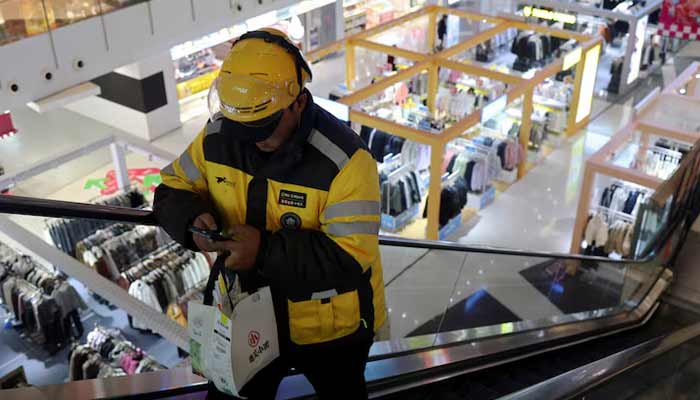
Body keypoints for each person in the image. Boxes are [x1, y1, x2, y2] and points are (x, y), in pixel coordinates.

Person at [153, 28, 387, 399]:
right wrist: (189, 219)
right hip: (246, 317)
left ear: (298, 102)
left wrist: (263, 251)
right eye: (242, 128)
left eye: (264, 126)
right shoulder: (218, 137)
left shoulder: (346, 162)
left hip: (330, 330)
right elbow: (172, 188)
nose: (252, 140)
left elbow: (351, 254)